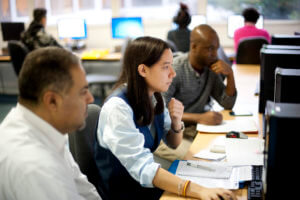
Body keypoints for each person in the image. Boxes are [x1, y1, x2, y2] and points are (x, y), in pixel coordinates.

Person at [94, 36, 236, 200]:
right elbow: (143, 168)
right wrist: (199, 190)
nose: (173, 73)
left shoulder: (154, 96)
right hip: (126, 193)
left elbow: (173, 143)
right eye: (166, 67)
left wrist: (177, 122)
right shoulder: (117, 109)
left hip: (145, 185)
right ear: (143, 70)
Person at [0, 47, 101, 200]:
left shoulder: (44, 129)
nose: (90, 98)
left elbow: (83, 188)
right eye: (83, 91)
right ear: (52, 101)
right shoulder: (36, 169)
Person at [155, 24, 237, 161]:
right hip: (168, 135)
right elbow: (160, 112)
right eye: (210, 49)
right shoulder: (174, 70)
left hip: (194, 130)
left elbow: (227, 104)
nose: (215, 54)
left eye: (216, 49)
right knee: (203, 161)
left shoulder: (210, 68)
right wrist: (199, 117)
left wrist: (230, 75)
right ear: (193, 47)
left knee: (230, 151)